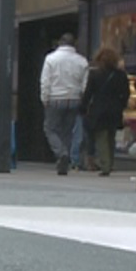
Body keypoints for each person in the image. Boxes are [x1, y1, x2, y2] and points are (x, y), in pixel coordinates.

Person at [40, 33, 88, 175]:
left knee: (49, 128)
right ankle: (64, 160)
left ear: (60, 43)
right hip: (74, 99)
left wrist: (44, 98)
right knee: (67, 131)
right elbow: (85, 85)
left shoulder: (50, 59)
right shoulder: (82, 61)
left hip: (55, 98)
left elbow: (45, 81)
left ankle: (61, 153)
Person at [80, 47, 130, 176]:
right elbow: (126, 93)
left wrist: (83, 108)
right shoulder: (121, 75)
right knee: (111, 137)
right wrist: (122, 106)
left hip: (99, 110)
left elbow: (88, 93)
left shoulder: (95, 74)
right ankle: (110, 163)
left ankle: (105, 165)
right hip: (115, 109)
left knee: (101, 138)